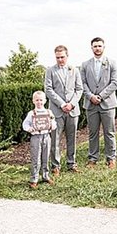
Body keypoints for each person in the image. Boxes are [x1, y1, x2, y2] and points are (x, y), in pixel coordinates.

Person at [43, 44, 81, 175]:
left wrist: (72, 104)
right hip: (57, 110)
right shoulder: (50, 71)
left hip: (72, 110)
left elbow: (79, 89)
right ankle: (55, 165)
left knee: (72, 138)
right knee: (55, 140)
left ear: (67, 56)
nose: (60, 60)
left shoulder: (74, 70)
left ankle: (71, 163)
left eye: (62, 57)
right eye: (58, 57)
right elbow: (48, 89)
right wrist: (62, 104)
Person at [81, 37, 117, 168]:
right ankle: (93, 158)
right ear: (91, 48)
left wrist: (101, 96)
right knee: (93, 133)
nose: (97, 48)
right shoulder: (85, 65)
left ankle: (111, 158)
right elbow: (82, 83)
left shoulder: (112, 63)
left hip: (107, 103)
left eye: (99, 46)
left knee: (109, 132)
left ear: (103, 47)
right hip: (91, 104)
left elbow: (115, 83)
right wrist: (91, 96)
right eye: (95, 46)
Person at [22, 90, 56, 190]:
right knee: (36, 158)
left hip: (46, 136)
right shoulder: (31, 113)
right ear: (33, 101)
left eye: (41, 100)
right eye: (37, 100)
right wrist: (29, 129)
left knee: (46, 157)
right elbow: (25, 124)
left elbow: (54, 123)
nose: (39, 102)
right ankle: (34, 179)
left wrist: (52, 126)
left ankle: (45, 176)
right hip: (36, 137)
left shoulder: (48, 112)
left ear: (45, 101)